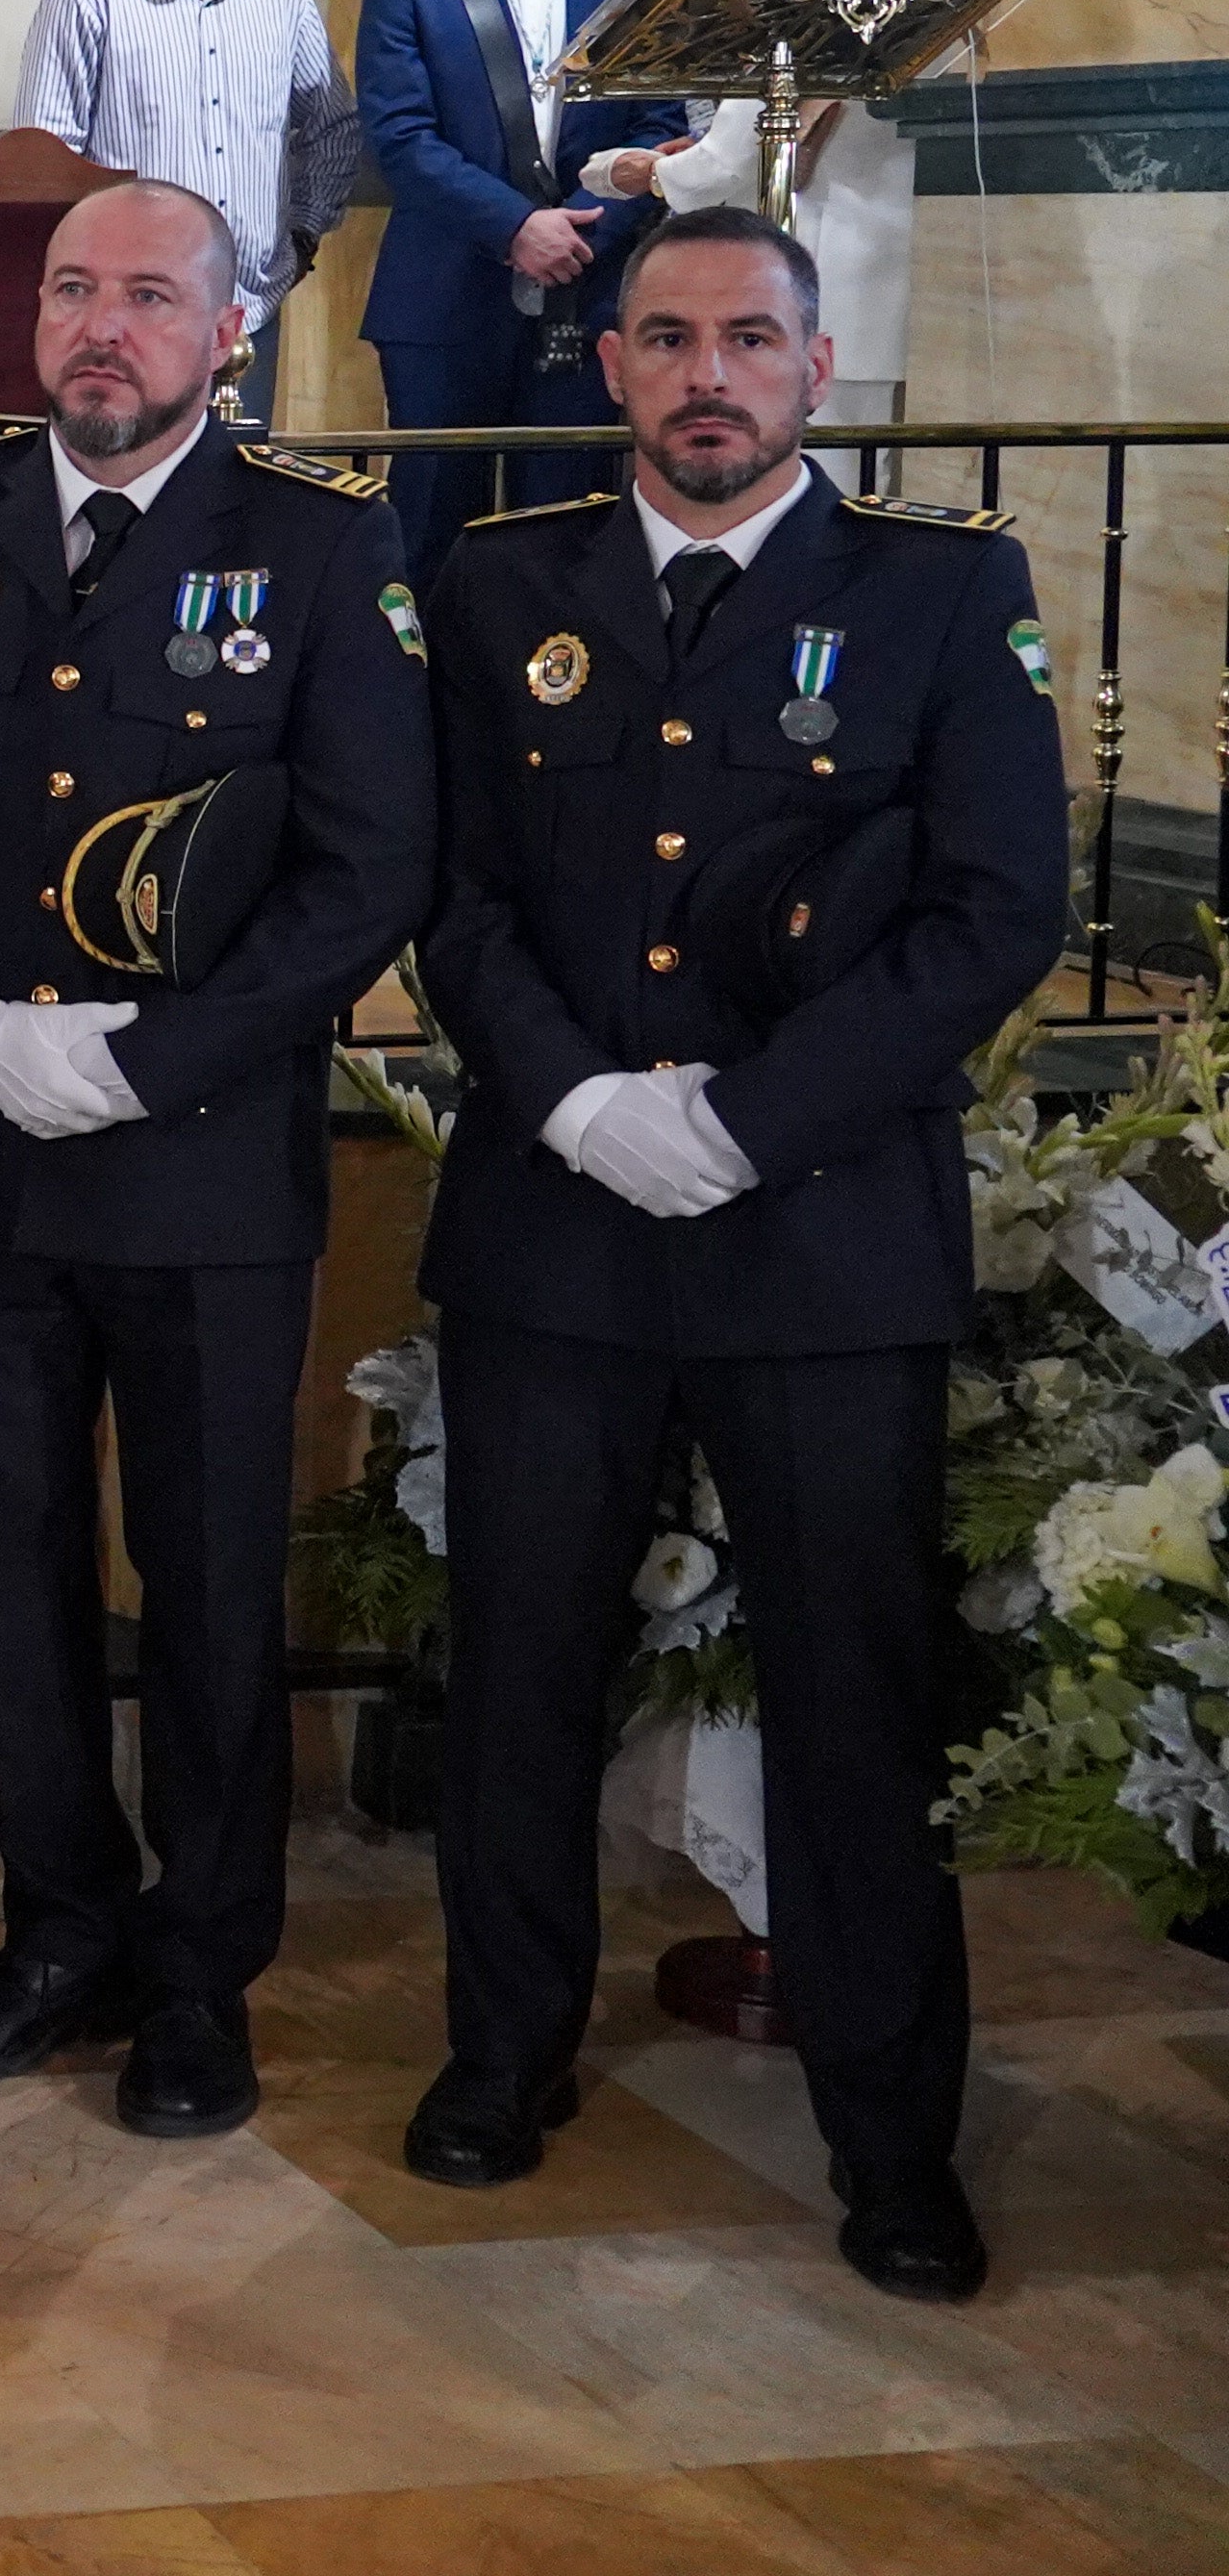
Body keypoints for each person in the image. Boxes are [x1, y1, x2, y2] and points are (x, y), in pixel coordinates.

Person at [404, 206, 1058, 2303]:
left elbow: (998, 908)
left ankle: (891, 2135)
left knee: (855, 1690)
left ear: (816, 364)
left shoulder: (942, 590)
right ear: (609, 363)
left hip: (824, 1233)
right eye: (668, 337)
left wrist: (750, 1120)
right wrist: (580, 1099)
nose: (709, 375)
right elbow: (450, 889)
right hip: (558, 1223)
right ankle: (502, 2052)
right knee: (519, 1667)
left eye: (750, 339)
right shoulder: (502, 583)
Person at [0, 175, 428, 2137]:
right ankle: (61, 1928)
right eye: (74, 288)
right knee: (8, 1566)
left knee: (211, 1578)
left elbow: (369, 868)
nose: (100, 325)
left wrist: (153, 1057)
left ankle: (201, 1973)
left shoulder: (319, 544)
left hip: (200, 1165)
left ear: (228, 331)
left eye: (150, 294)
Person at [359, 0, 671, 568]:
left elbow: (659, 132)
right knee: (432, 529)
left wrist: (583, 235)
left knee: (569, 532)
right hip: (444, 300)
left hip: (587, 296)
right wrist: (515, 227)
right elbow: (401, 137)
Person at [13, 0, 360, 409]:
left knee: (235, 469)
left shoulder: (283, 2)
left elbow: (333, 128)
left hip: (248, 310)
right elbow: (42, 159)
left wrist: (302, 235)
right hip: (124, 319)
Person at [593, 0, 928, 423]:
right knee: (882, 476)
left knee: (822, 473)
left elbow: (724, 166)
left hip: (824, 278)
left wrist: (643, 173)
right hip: (907, 273)